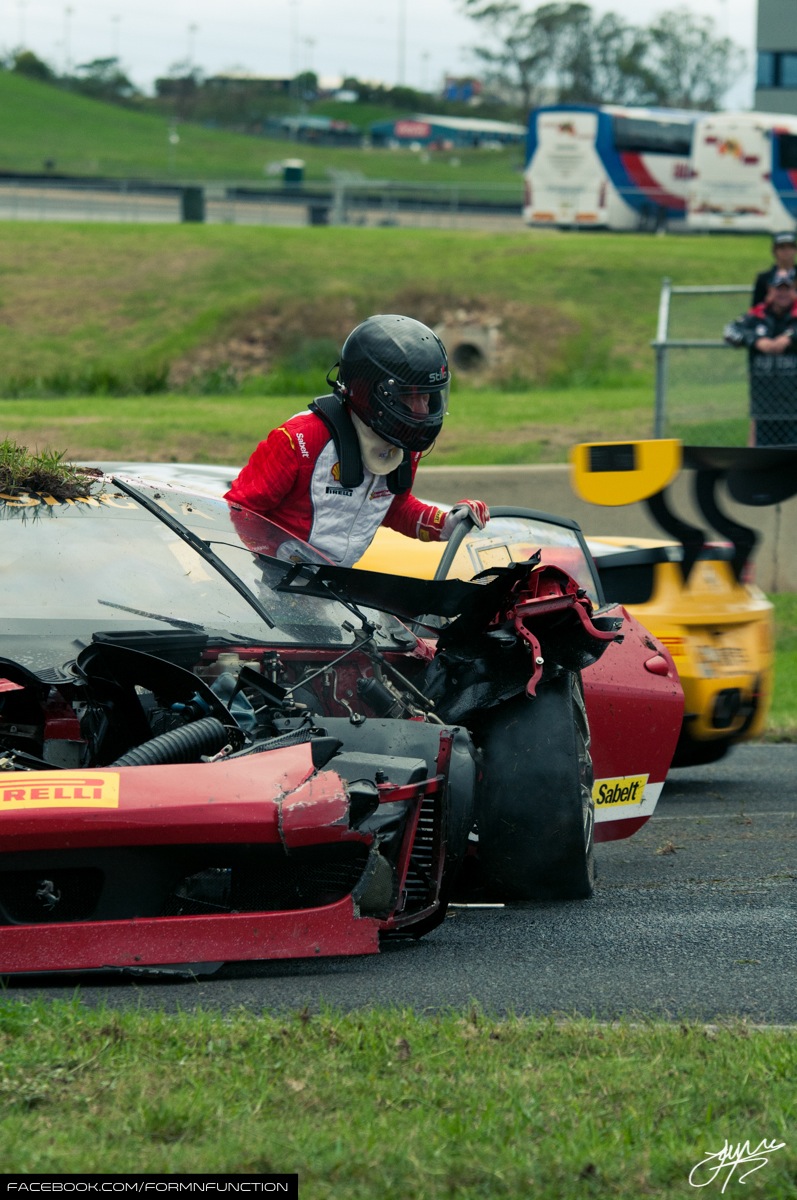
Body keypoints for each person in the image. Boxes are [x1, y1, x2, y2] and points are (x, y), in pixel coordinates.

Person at [225, 314, 489, 567]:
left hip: (331, 583)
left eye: (427, 397)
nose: (422, 411)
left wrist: (446, 524)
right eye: (409, 397)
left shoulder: (403, 443)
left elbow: (393, 508)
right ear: (370, 393)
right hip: (268, 580)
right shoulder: (298, 440)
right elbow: (237, 512)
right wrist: (272, 564)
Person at [724, 269, 797, 446]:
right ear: (770, 290)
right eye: (778, 289)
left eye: (787, 289)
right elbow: (729, 332)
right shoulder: (756, 317)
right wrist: (756, 341)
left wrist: (790, 338)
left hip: (794, 410)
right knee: (765, 456)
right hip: (764, 409)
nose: (783, 294)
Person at [751, 230, 797, 306]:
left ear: (795, 250)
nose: (786, 251)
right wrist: (769, 300)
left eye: (790, 247)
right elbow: (755, 308)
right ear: (774, 251)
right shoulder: (764, 279)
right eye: (782, 247)